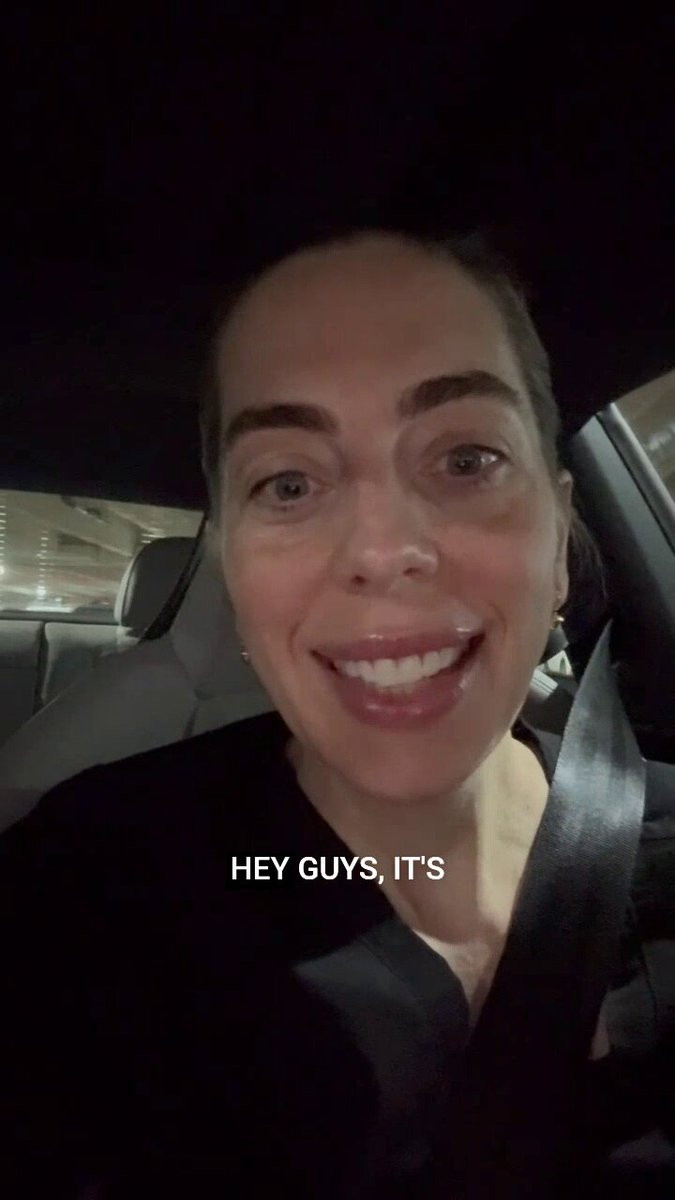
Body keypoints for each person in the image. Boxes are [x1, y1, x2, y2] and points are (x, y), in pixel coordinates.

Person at [0, 230, 673, 1199]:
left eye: (467, 458)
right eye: (288, 483)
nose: (381, 548)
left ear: (560, 540)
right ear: (234, 570)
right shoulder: (83, 895)